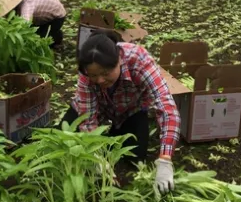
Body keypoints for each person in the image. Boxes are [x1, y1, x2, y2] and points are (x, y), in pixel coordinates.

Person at [61, 30, 181, 193]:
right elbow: (87, 116)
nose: (100, 80)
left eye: (105, 73)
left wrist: (165, 159)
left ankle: (114, 135)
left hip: (130, 110)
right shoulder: (86, 71)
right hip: (100, 108)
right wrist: (95, 154)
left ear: (118, 60)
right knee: (65, 137)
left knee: (135, 156)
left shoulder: (139, 59)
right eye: (94, 76)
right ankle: (104, 144)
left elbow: (166, 106)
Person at [0, 0, 67, 48]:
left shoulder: (27, 3)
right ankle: (54, 33)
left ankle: (57, 36)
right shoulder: (20, 5)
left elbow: (25, 25)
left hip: (57, 16)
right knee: (38, 33)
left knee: (41, 41)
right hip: (40, 17)